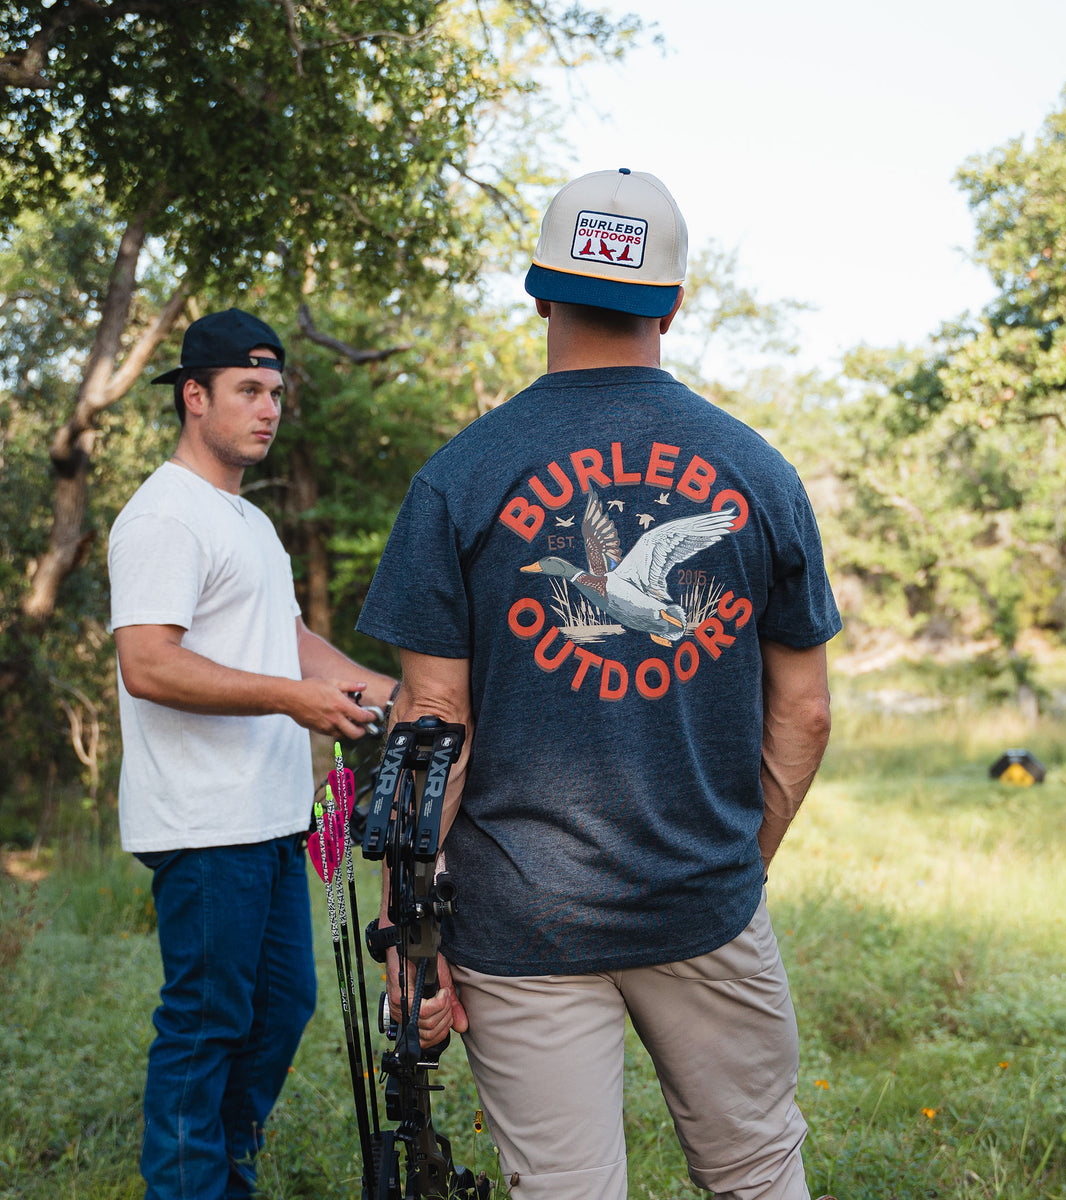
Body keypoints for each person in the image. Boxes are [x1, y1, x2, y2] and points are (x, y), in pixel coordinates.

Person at [358, 170, 841, 1200]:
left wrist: (411, 927)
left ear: (540, 292)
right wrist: (730, 869)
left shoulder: (460, 476)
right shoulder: (759, 472)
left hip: (520, 923)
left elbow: (434, 724)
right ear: (671, 303)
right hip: (704, 903)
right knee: (759, 1175)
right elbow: (805, 713)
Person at [108, 307, 396, 1200]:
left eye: (275, 392)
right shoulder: (164, 516)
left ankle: (224, 1172)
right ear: (195, 397)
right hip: (205, 823)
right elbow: (148, 663)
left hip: (270, 817)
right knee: (207, 1023)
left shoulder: (247, 521)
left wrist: (401, 696)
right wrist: (292, 700)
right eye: (248, 391)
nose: (268, 409)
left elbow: (292, 640)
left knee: (278, 1011)